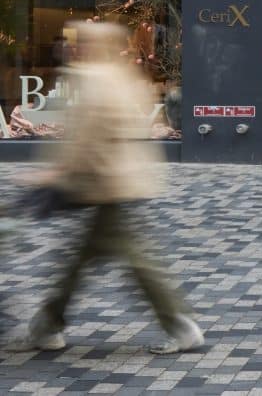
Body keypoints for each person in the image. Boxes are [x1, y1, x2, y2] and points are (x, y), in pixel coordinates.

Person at [10, 21, 205, 355]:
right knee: (84, 260)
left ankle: (180, 326)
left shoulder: (93, 79)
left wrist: (55, 173)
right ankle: (48, 325)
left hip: (106, 184)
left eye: (81, 41)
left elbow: (83, 138)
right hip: (122, 182)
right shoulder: (121, 75)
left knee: (132, 263)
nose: (74, 47)